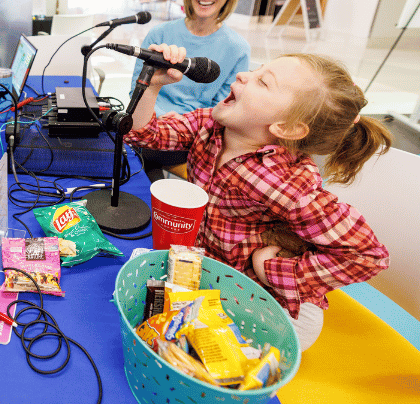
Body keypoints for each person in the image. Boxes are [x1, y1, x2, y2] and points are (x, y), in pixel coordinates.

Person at [126, 43, 391, 351]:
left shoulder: (289, 184)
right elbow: (144, 135)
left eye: (263, 82)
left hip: (277, 309)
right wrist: (152, 85)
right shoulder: (212, 124)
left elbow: (368, 255)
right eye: (255, 70)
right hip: (217, 275)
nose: (241, 75)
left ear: (288, 127)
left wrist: (274, 269)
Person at [130, 0, 250, 116]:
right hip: (148, 120)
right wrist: (159, 118)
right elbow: (135, 91)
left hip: (197, 131)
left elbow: (225, 109)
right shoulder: (159, 34)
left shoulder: (238, 49)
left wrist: (184, 124)